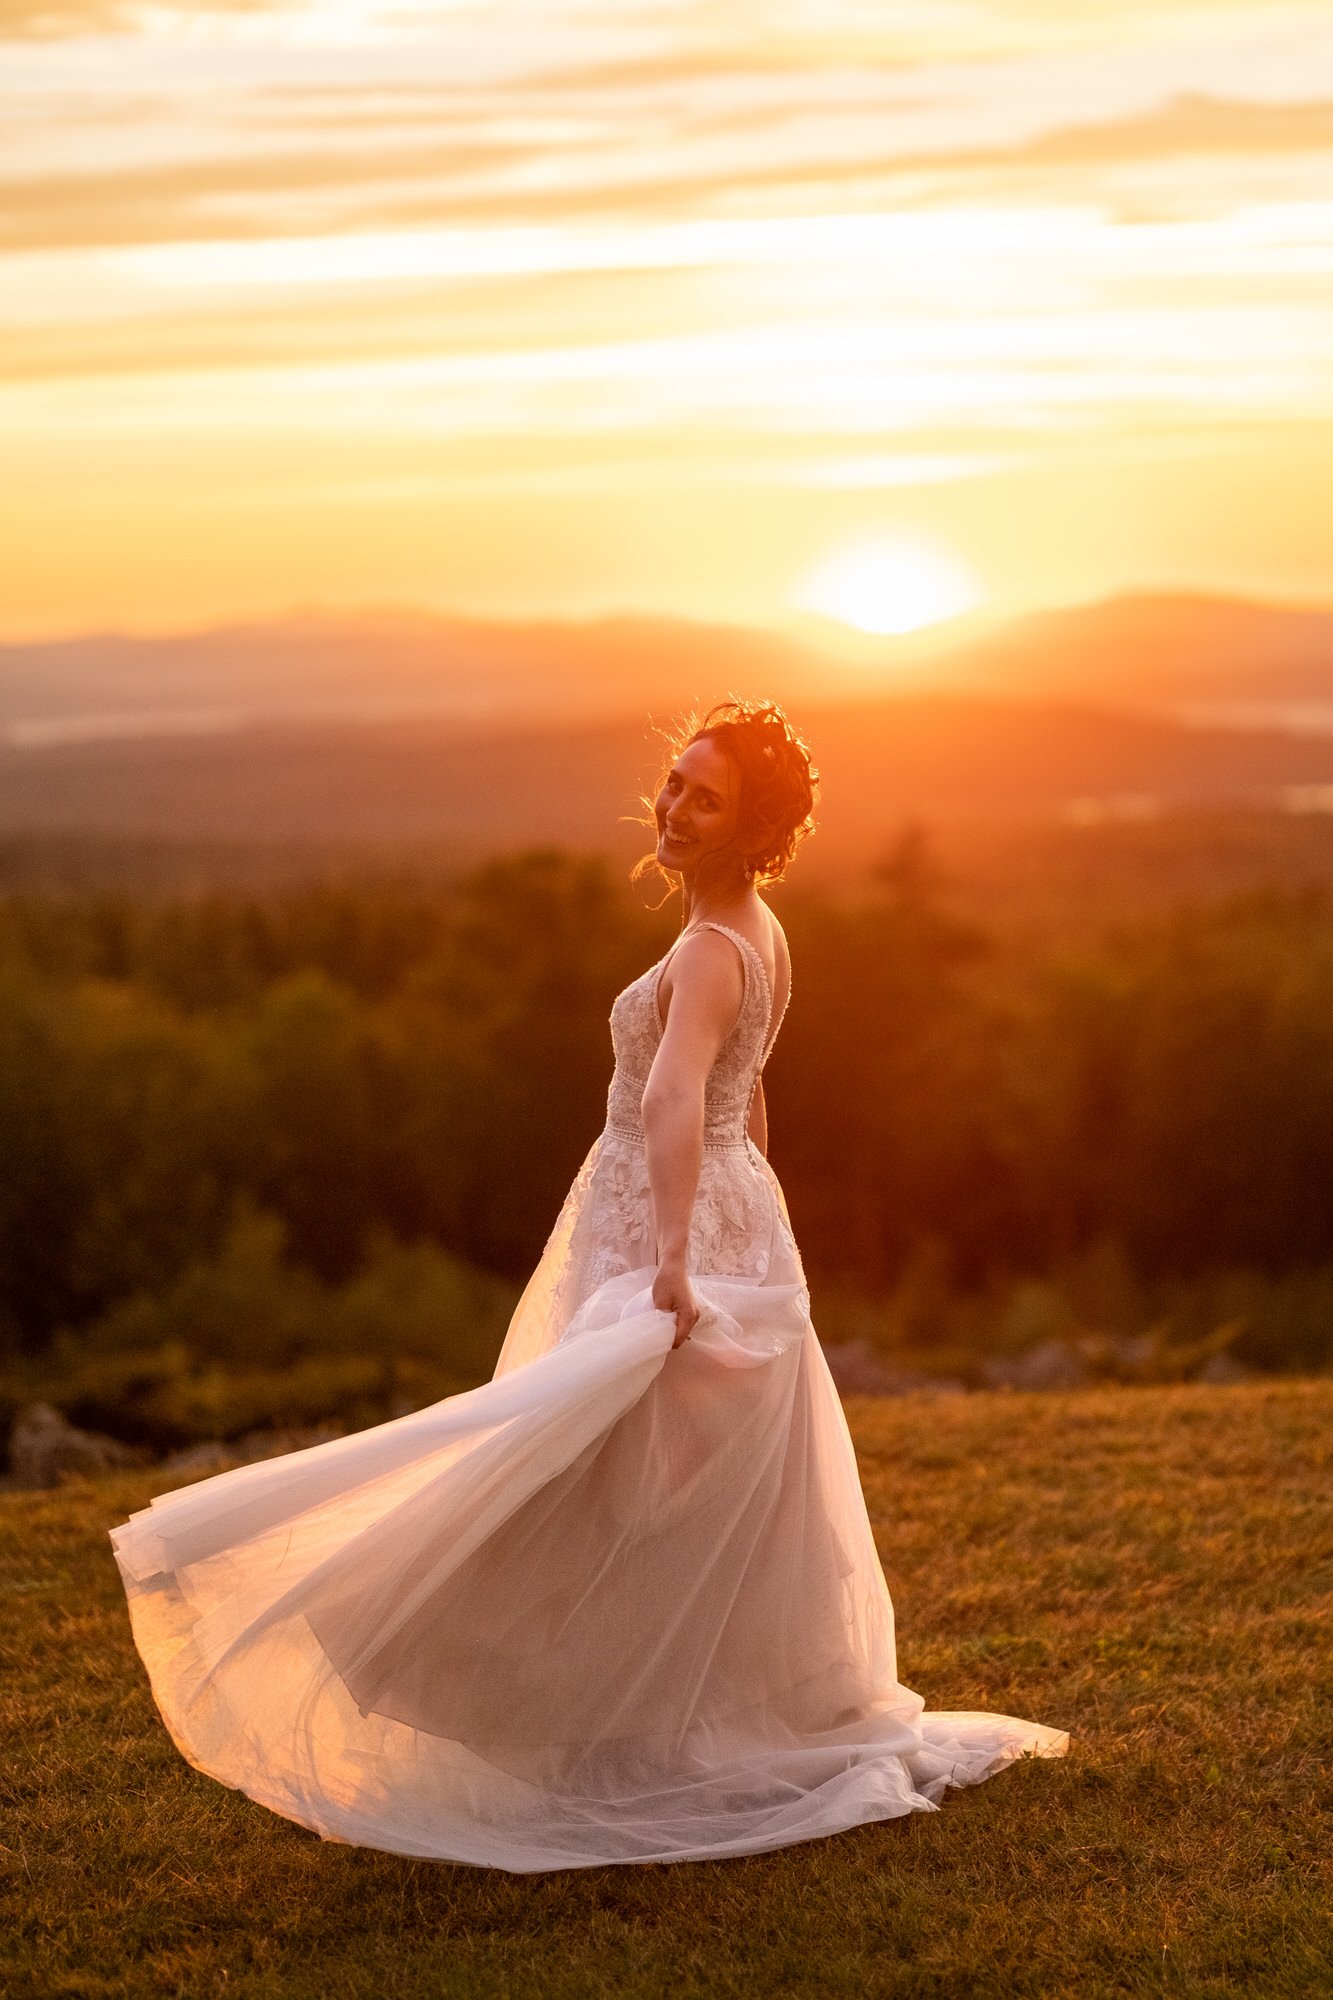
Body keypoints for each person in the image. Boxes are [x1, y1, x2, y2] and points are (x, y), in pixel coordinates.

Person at [110, 697, 1067, 1872]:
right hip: (725, 1211)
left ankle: (520, 1695)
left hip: (667, 1225)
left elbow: (679, 1095)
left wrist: (671, 1258)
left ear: (749, 825)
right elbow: (748, 1100)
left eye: (704, 796)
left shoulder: (716, 947)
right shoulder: (754, 931)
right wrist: (748, 1215)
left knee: (576, 1474)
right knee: (644, 1487)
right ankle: (623, 1717)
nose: (672, 807)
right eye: (672, 781)